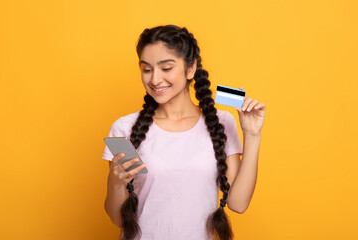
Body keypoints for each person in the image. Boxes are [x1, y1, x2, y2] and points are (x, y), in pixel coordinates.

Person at [102, 25, 266, 240]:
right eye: (147, 69)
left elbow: (238, 204)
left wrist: (252, 135)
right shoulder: (124, 127)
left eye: (166, 68)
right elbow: (118, 219)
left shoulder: (222, 123)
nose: (154, 79)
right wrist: (116, 182)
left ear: (191, 69)